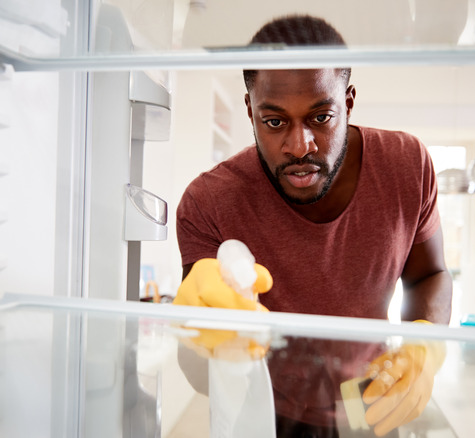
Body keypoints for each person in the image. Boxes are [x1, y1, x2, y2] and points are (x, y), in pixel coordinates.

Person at [174, 14, 452, 437]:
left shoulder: (407, 165)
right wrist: (197, 335)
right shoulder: (208, 202)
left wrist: (424, 348)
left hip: (371, 403)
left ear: (349, 102)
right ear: (250, 112)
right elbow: (199, 371)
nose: (300, 145)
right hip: (264, 409)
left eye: (321, 117)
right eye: (274, 121)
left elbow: (431, 274)